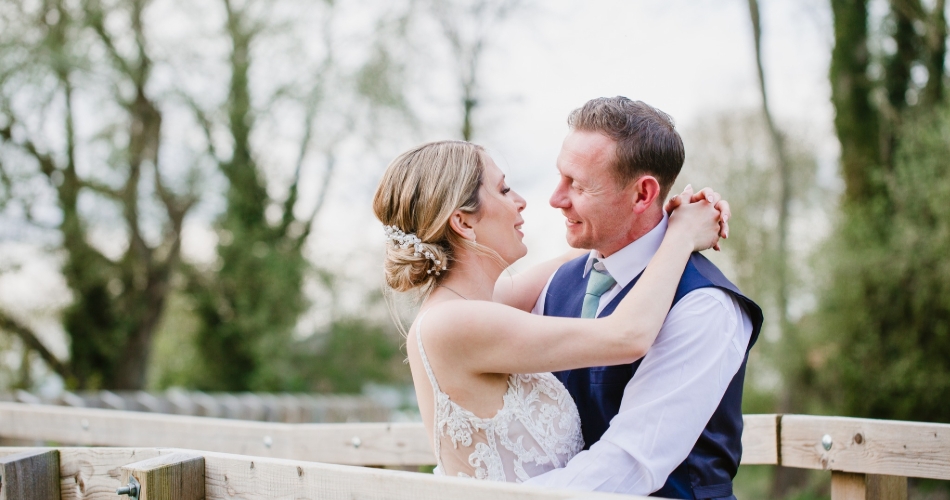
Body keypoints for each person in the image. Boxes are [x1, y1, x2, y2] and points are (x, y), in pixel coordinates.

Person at [372, 138, 727, 482]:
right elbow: (628, 336)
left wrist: (654, 214)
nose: (521, 201)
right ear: (463, 222)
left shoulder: (472, 304)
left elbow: (588, 251)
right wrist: (681, 236)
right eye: (504, 190)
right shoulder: (454, 322)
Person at [523, 97, 763, 500]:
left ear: (642, 194)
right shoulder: (558, 284)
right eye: (560, 178)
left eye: (577, 184)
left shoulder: (705, 306)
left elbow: (630, 465)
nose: (556, 198)